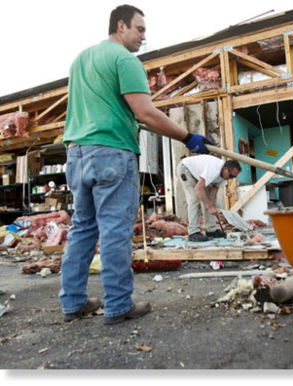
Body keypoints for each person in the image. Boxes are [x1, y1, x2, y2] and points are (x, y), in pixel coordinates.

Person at [60, 4, 213, 325]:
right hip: (111, 153)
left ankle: (73, 303)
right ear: (121, 26)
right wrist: (188, 137)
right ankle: (117, 306)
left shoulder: (81, 60)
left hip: (77, 153)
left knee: (83, 229)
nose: (144, 37)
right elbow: (145, 112)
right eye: (139, 29)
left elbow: (110, 107)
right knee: (115, 231)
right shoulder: (125, 60)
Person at [177, 155, 241, 242]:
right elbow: (198, 189)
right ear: (225, 168)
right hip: (186, 169)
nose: (230, 178)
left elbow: (214, 191)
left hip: (198, 176)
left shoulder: (224, 176)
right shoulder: (214, 168)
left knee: (208, 201)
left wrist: (211, 205)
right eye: (230, 175)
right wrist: (209, 206)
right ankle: (193, 232)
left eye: (233, 177)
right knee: (194, 199)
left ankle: (211, 230)